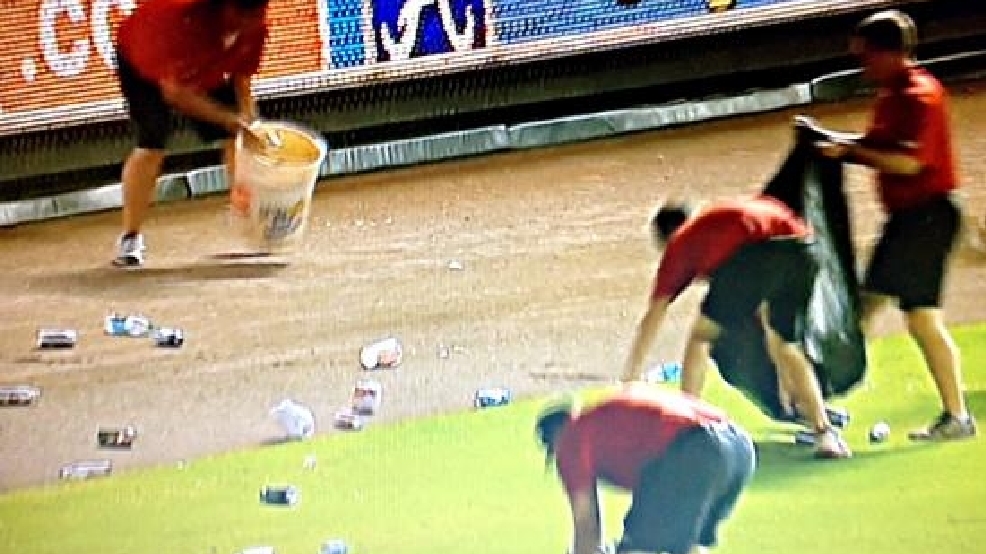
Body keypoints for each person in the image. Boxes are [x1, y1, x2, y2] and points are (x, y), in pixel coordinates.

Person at [803, 9, 976, 440]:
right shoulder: (892, 94)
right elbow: (876, 145)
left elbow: (908, 161)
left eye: (868, 57)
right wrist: (830, 139)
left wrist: (847, 154)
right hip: (910, 220)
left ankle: (956, 417)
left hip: (927, 218)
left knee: (917, 317)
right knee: (864, 308)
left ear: (893, 53)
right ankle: (820, 410)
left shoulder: (919, 95)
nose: (864, 66)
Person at [621, 195, 852, 459]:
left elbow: (654, 315)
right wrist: (783, 381)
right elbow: (766, 301)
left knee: (700, 337)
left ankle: (684, 425)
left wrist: (630, 377)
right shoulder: (719, 224)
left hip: (756, 256)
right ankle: (824, 432)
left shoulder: (682, 241)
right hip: (805, 250)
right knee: (785, 344)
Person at [112, 0, 271, 267]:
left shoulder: (255, 26)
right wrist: (230, 120)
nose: (252, 19)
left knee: (239, 141)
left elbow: (242, 77)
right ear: (227, 8)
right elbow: (174, 93)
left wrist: (249, 123)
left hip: (203, 68)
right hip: (142, 66)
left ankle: (250, 224)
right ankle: (130, 238)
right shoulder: (183, 25)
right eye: (245, 12)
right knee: (152, 143)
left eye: (258, 12)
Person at [535, 385, 756, 554]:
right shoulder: (605, 417)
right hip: (739, 449)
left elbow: (586, 527)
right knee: (685, 544)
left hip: (694, 451)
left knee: (638, 547)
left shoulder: (571, 439)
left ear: (554, 438)